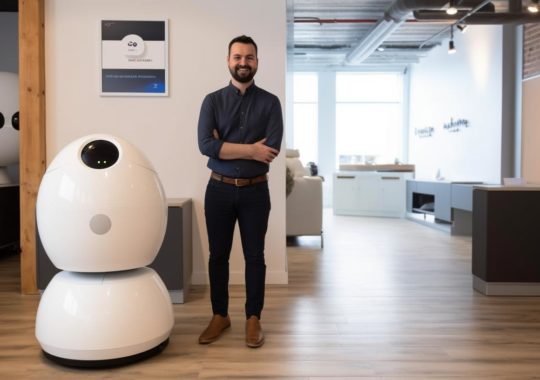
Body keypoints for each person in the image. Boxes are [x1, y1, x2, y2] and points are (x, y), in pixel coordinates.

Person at [197, 35, 283, 348]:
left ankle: (252, 318)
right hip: (218, 190)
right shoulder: (212, 101)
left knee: (255, 256)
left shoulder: (271, 103)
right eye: (237, 57)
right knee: (217, 255)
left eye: (249, 57)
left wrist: (225, 147)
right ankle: (220, 315)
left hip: (255, 193)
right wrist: (250, 150)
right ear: (228, 60)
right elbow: (205, 145)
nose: (243, 62)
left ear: (257, 62)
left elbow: (269, 150)